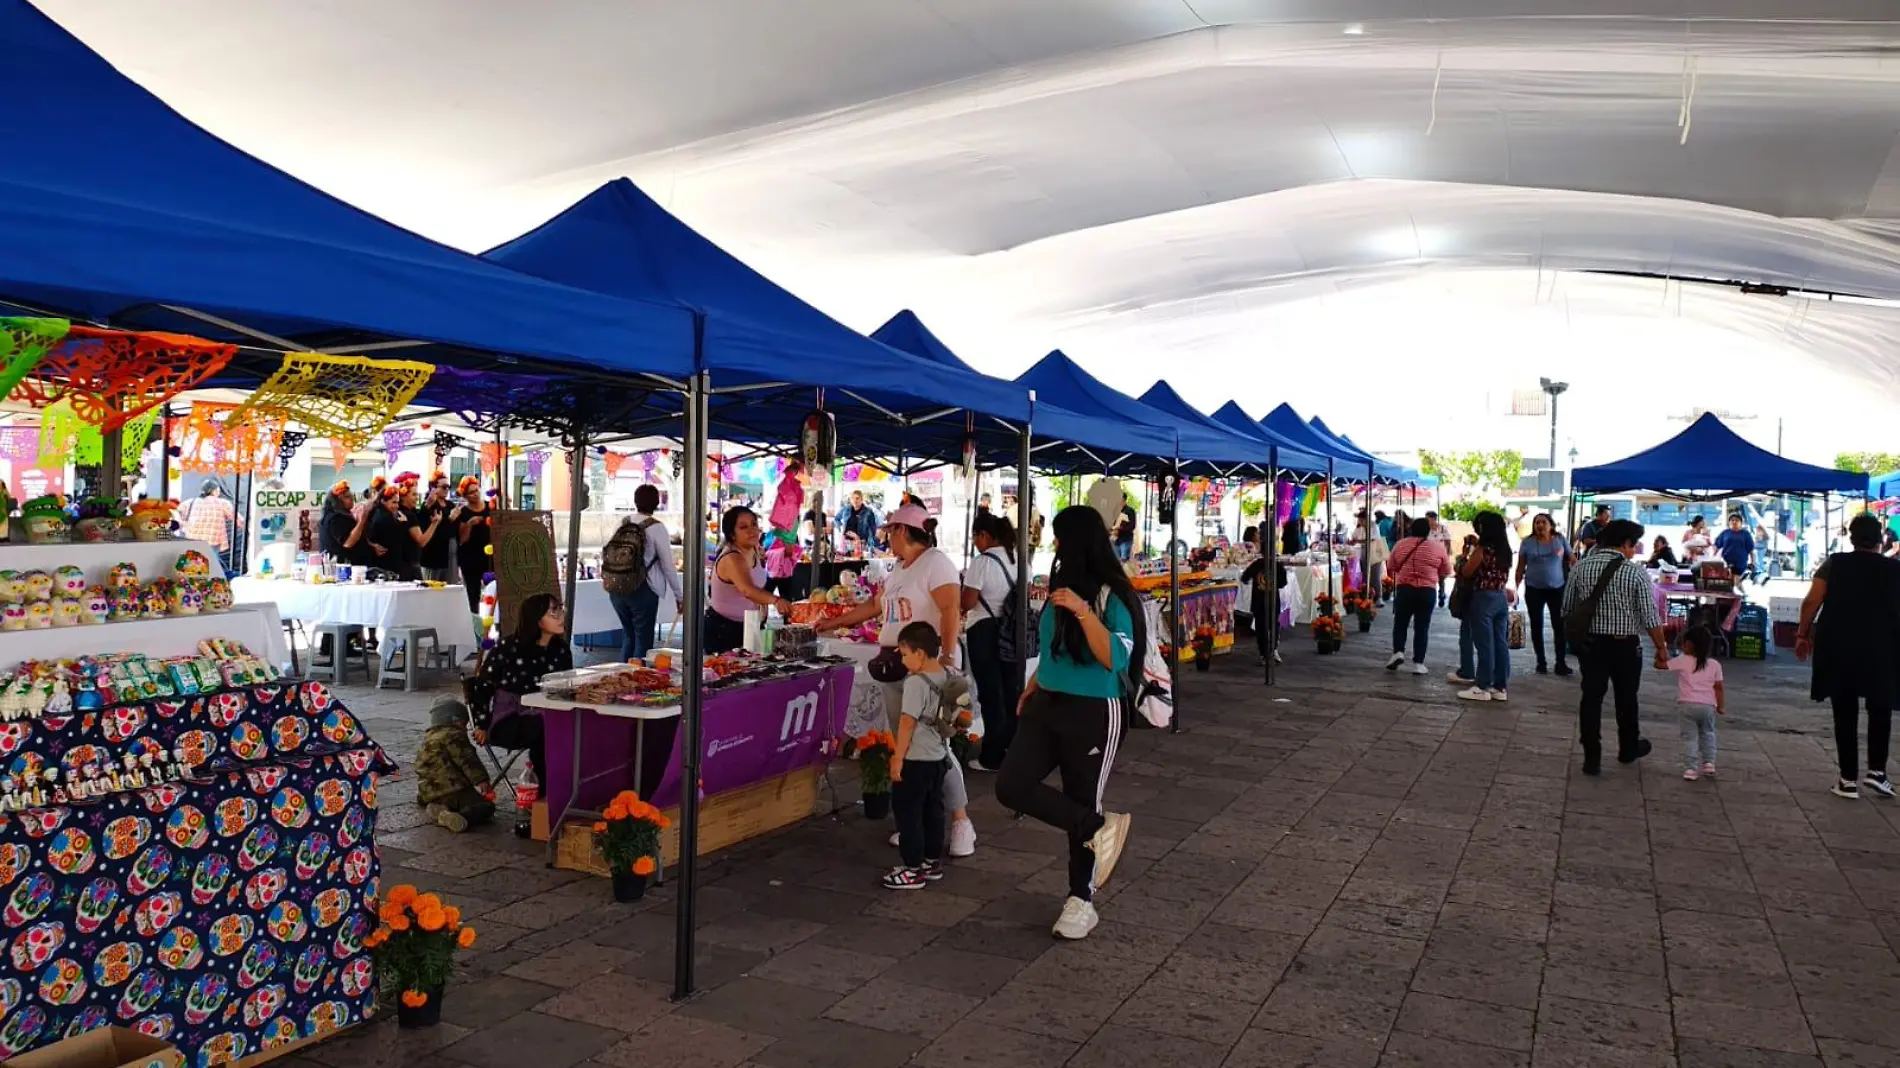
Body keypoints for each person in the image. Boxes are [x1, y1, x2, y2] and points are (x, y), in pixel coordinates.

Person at [995, 505, 1139, 941]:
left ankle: (1082, 899)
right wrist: (1036, 680)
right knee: (1012, 785)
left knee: (1082, 795)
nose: (1054, 546)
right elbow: (1055, 647)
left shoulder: (1114, 596)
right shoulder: (1060, 586)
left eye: (1059, 538)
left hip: (1094, 709)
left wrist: (1082, 610)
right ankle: (1098, 829)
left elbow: (1115, 657)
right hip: (1047, 702)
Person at [818, 504, 978, 856]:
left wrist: (947, 660)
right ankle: (918, 822)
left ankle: (960, 820)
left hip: (927, 665)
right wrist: (833, 622)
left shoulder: (936, 562)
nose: (887, 536)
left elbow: (951, 609)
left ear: (902, 531)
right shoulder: (900, 569)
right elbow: (877, 607)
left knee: (938, 746)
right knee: (909, 745)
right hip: (896, 663)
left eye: (890, 530)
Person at [1796, 513, 1899, 800]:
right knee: (1880, 707)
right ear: (1880, 540)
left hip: (1839, 645)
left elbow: (1812, 601)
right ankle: (1877, 772)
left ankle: (1848, 779)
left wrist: (1802, 634)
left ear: (1852, 539)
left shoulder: (1834, 564)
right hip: (1883, 648)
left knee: (1845, 711)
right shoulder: (1895, 570)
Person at [1563, 519, 1669, 775]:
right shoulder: (1634, 572)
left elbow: (1566, 608)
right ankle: (1628, 748)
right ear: (1625, 543)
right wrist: (1661, 648)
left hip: (1591, 644)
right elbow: (1650, 616)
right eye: (1633, 545)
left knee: (1591, 698)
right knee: (1626, 698)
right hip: (1625, 647)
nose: (1634, 551)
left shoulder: (1581, 567)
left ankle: (1591, 757)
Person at [469, 593, 571, 834]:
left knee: (568, 730)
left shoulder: (560, 650)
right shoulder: (508, 648)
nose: (559, 616)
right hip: (509, 719)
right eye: (552, 612)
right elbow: (482, 687)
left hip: (548, 714)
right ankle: (542, 805)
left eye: (560, 610)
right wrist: (482, 724)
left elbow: (566, 685)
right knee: (544, 732)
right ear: (536, 619)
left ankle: (564, 798)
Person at [883, 621, 964, 890]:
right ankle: (931, 862)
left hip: (915, 759)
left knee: (908, 814)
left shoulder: (916, 683)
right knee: (933, 811)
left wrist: (897, 758)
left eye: (905, 654)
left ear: (919, 653)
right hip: (939, 757)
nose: (903, 661)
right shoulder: (947, 674)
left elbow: (907, 722)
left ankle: (912, 868)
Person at [962, 513, 1023, 772]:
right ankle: (1014, 749)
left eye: (975, 536)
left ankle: (992, 756)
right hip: (1012, 630)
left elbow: (968, 602)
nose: (975, 542)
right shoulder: (1018, 559)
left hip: (985, 630)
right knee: (1012, 692)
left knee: (991, 694)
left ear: (984, 535)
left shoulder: (982, 562)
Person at [602, 485, 682, 661]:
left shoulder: (623, 522)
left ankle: (621, 679)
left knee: (629, 636)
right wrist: (679, 595)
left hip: (617, 587)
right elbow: (668, 565)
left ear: (635, 500)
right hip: (643, 589)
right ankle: (637, 683)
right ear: (656, 502)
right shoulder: (656, 528)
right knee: (643, 643)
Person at [706, 506, 794, 655]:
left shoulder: (754, 550)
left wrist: (788, 535)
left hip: (750, 626)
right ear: (732, 535)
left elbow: (787, 554)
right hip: (724, 630)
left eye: (754, 524)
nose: (752, 530)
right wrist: (776, 601)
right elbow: (748, 590)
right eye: (743, 527)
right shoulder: (732, 557)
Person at [1455, 511, 1515, 702]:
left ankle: (1482, 686)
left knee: (1484, 643)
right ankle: (1500, 686)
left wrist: (1463, 558)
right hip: (1500, 597)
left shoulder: (1483, 550)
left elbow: (1466, 571)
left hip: (1483, 598)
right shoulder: (1505, 549)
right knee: (1500, 643)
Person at [415, 695, 496, 832]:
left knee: (438, 794)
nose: (465, 729)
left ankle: (435, 803)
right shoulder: (454, 736)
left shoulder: (429, 738)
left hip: (428, 790)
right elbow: (467, 760)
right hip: (453, 789)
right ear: (455, 720)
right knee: (486, 807)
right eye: (464, 724)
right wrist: (481, 780)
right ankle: (451, 816)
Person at [1384, 518, 1451, 675]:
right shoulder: (1437, 548)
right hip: (1426, 591)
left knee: (1400, 622)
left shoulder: (1400, 545)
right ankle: (1419, 663)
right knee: (1422, 627)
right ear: (1428, 531)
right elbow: (1446, 571)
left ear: (1411, 529)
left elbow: (1391, 567)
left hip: (1404, 589)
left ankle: (1398, 652)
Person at [1515, 512, 1573, 676]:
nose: (1540, 525)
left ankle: (1560, 663)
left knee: (1559, 626)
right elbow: (1520, 566)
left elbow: (1571, 558)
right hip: (1534, 589)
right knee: (1536, 625)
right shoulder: (1527, 543)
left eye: (1543, 522)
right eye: (1537, 523)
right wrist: (1516, 587)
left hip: (1557, 588)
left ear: (1551, 525)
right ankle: (1541, 662)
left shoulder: (1559, 540)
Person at [1670, 627, 1724, 782]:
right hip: (1708, 707)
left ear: (1688, 645)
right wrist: (1721, 706)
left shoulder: (1683, 660)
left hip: (1686, 706)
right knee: (1708, 733)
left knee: (1690, 738)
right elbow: (1719, 688)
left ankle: (1691, 769)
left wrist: (1659, 652)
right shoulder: (1714, 664)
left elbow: (1661, 665)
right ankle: (1709, 763)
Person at [452, 477, 496, 613]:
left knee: (494, 591)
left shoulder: (491, 507)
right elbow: (462, 540)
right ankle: (475, 626)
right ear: (465, 496)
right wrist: (469, 525)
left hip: (490, 558)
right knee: (473, 595)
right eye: (471, 492)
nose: (475, 494)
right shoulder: (463, 513)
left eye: (476, 490)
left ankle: (496, 623)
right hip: (470, 559)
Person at [319, 481, 376, 566]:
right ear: (337, 501)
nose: (352, 499)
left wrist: (371, 546)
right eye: (347, 497)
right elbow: (348, 542)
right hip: (344, 568)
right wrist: (362, 520)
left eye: (351, 496)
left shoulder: (342, 515)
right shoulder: (335, 518)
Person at [418, 474, 458, 583]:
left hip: (448, 555)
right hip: (432, 556)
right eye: (444, 487)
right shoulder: (429, 506)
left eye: (448, 487)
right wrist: (449, 519)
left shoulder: (450, 505)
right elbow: (426, 527)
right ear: (433, 488)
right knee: (430, 590)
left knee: (449, 588)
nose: (447, 490)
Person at [180, 481, 236, 556]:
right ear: (214, 491)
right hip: (212, 542)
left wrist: (184, 524)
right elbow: (236, 518)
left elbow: (175, 514)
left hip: (193, 540)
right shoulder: (223, 503)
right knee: (209, 562)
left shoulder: (190, 502)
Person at [768, 460, 806, 547]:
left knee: (782, 545)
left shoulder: (791, 483)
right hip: (787, 518)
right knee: (784, 546)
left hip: (788, 517)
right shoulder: (790, 483)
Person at [1714, 512, 1755, 585]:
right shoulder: (1725, 533)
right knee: (1730, 582)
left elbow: (1751, 550)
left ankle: (1741, 594)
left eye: (1736, 520)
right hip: (1726, 562)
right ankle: (1741, 594)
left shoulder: (1745, 534)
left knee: (1735, 580)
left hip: (1740, 562)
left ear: (1741, 523)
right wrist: (1712, 558)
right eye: (1732, 520)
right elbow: (1717, 546)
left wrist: (1753, 562)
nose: (1734, 522)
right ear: (1729, 522)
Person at [1426, 512, 1454, 605]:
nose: (1427, 520)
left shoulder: (1442, 528)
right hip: (1429, 555)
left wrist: (1448, 553)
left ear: (1433, 518)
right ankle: (1431, 594)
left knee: (1441, 577)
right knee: (1431, 576)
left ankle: (1441, 593)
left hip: (1441, 556)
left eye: (1428, 518)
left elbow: (1448, 541)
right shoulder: (1426, 530)